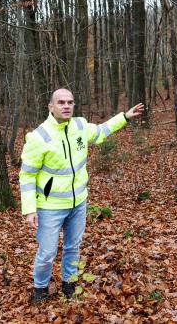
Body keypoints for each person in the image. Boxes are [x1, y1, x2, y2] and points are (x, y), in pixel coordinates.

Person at [19, 88, 144, 303]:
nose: (66, 106)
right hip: (50, 206)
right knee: (47, 253)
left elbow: (102, 131)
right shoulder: (38, 137)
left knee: (72, 247)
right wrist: (29, 209)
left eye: (70, 102)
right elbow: (27, 175)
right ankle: (40, 288)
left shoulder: (79, 126)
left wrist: (124, 117)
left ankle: (70, 283)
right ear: (51, 107)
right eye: (61, 102)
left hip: (78, 202)